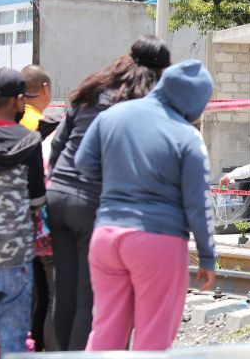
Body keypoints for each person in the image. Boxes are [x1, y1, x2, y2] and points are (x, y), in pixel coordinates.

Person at [76, 60, 216, 351]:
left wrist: (120, 182)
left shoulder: (112, 116)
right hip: (157, 241)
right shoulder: (187, 136)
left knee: (106, 329)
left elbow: (83, 164)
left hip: (106, 236)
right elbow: (197, 204)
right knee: (152, 337)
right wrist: (207, 257)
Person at [46, 35, 171, 351]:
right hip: (91, 203)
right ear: (160, 72)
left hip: (58, 195)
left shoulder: (92, 88)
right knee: (87, 297)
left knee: (64, 289)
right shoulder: (140, 103)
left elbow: (58, 145)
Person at [0, 68, 46, 356]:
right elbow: (36, 199)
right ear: (19, 101)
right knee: (13, 343)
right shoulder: (30, 141)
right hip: (16, 257)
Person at [21, 64, 59, 352]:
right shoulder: (42, 127)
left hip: (0, 221)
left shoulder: (10, 118)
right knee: (44, 292)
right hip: (34, 219)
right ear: (44, 89)